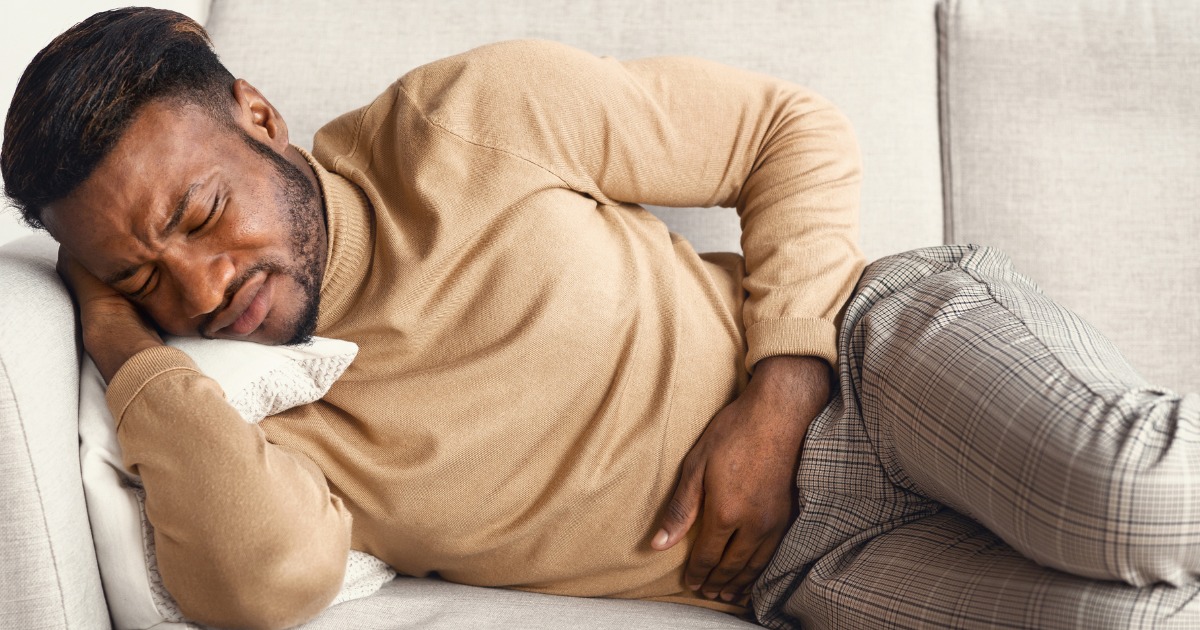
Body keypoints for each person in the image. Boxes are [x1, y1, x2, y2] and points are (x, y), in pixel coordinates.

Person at [2, 8, 1197, 630]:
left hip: (874, 358)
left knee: (1138, 492)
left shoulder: (465, 119)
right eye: (143, 275)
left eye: (203, 215)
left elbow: (789, 131)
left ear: (258, 116)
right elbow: (259, 585)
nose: (203, 287)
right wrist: (126, 351)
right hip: (806, 569)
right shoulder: (263, 411)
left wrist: (782, 391)